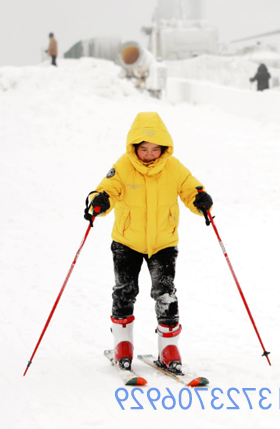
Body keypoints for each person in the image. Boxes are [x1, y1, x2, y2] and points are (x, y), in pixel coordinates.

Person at [85, 111, 213, 375]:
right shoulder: (122, 166)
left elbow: (191, 189)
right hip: (126, 242)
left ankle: (168, 349)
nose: (150, 154)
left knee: (166, 293)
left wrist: (201, 201)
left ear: (164, 149)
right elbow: (105, 190)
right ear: (135, 148)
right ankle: (122, 344)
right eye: (144, 149)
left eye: (156, 149)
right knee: (124, 291)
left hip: (163, 243)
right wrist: (98, 202)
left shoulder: (173, 167)